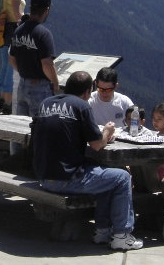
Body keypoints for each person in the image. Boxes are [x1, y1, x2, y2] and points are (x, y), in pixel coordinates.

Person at [32, 71, 143, 251]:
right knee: (122, 178)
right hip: (66, 179)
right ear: (86, 92)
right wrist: (107, 131)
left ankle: (102, 231)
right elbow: (97, 144)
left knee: (106, 173)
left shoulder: (46, 103)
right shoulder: (81, 106)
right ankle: (122, 235)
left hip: (43, 176)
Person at [9, 0, 57, 154]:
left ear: (31, 8)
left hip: (22, 85)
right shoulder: (43, 34)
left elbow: (12, 58)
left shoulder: (19, 30)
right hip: (40, 87)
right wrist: (55, 85)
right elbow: (47, 64)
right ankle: (38, 165)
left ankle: (14, 159)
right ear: (47, 10)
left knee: (18, 127)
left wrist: (23, 73)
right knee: (41, 130)